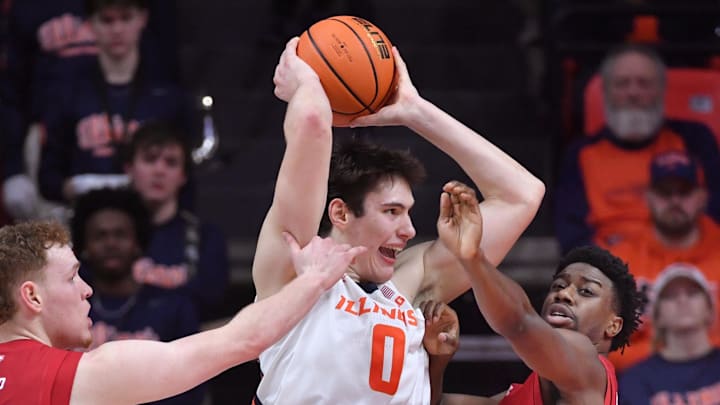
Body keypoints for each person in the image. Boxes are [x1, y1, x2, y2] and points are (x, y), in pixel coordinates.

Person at [252, 36, 545, 404]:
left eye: (408, 212)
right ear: (341, 213)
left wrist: (413, 110)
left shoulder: (412, 281)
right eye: (391, 212)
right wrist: (307, 85)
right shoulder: (293, 266)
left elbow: (522, 194)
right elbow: (311, 122)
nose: (408, 231)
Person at [0, 220, 366, 404]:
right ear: (32, 296)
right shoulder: (77, 377)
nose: (87, 289)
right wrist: (315, 278)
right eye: (71, 277)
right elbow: (244, 340)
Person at [421, 181, 645, 404]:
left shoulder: (588, 364)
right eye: (557, 286)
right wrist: (438, 361)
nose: (564, 294)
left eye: (586, 291)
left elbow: (519, 322)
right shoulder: (522, 394)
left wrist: (473, 258)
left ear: (613, 325)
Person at [554, 43, 720, 253]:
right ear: (605, 91)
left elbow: (716, 213)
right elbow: (572, 235)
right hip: (613, 269)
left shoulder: (695, 139)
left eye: (644, 83)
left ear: (661, 89)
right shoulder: (580, 154)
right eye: (622, 83)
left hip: (691, 264)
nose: (633, 92)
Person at [38, 0, 195, 205]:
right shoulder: (67, 94)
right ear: (90, 24)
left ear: (142, 19)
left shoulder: (169, 98)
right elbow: (48, 177)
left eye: (126, 18)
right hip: (84, 217)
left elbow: (186, 177)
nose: (117, 29)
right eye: (107, 20)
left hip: (151, 221)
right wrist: (69, 187)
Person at [71, 187, 204, 404]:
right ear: (84, 247)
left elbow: (191, 387)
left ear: (138, 243)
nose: (111, 243)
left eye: (120, 234)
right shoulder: (69, 309)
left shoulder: (175, 306)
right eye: (100, 235)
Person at [607, 149, 720, 371]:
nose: (675, 201)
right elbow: (600, 350)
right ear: (648, 197)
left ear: (702, 197)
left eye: (684, 192)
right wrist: (671, 354)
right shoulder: (617, 262)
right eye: (665, 192)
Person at [124, 121, 229, 321]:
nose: (159, 171)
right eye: (150, 159)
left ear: (183, 176)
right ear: (129, 168)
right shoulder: (107, 233)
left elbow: (211, 301)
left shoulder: (205, 238)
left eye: (171, 162)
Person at [619, 265, 720, 405]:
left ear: (709, 309)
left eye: (692, 293)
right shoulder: (636, 381)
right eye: (670, 296)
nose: (682, 300)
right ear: (657, 316)